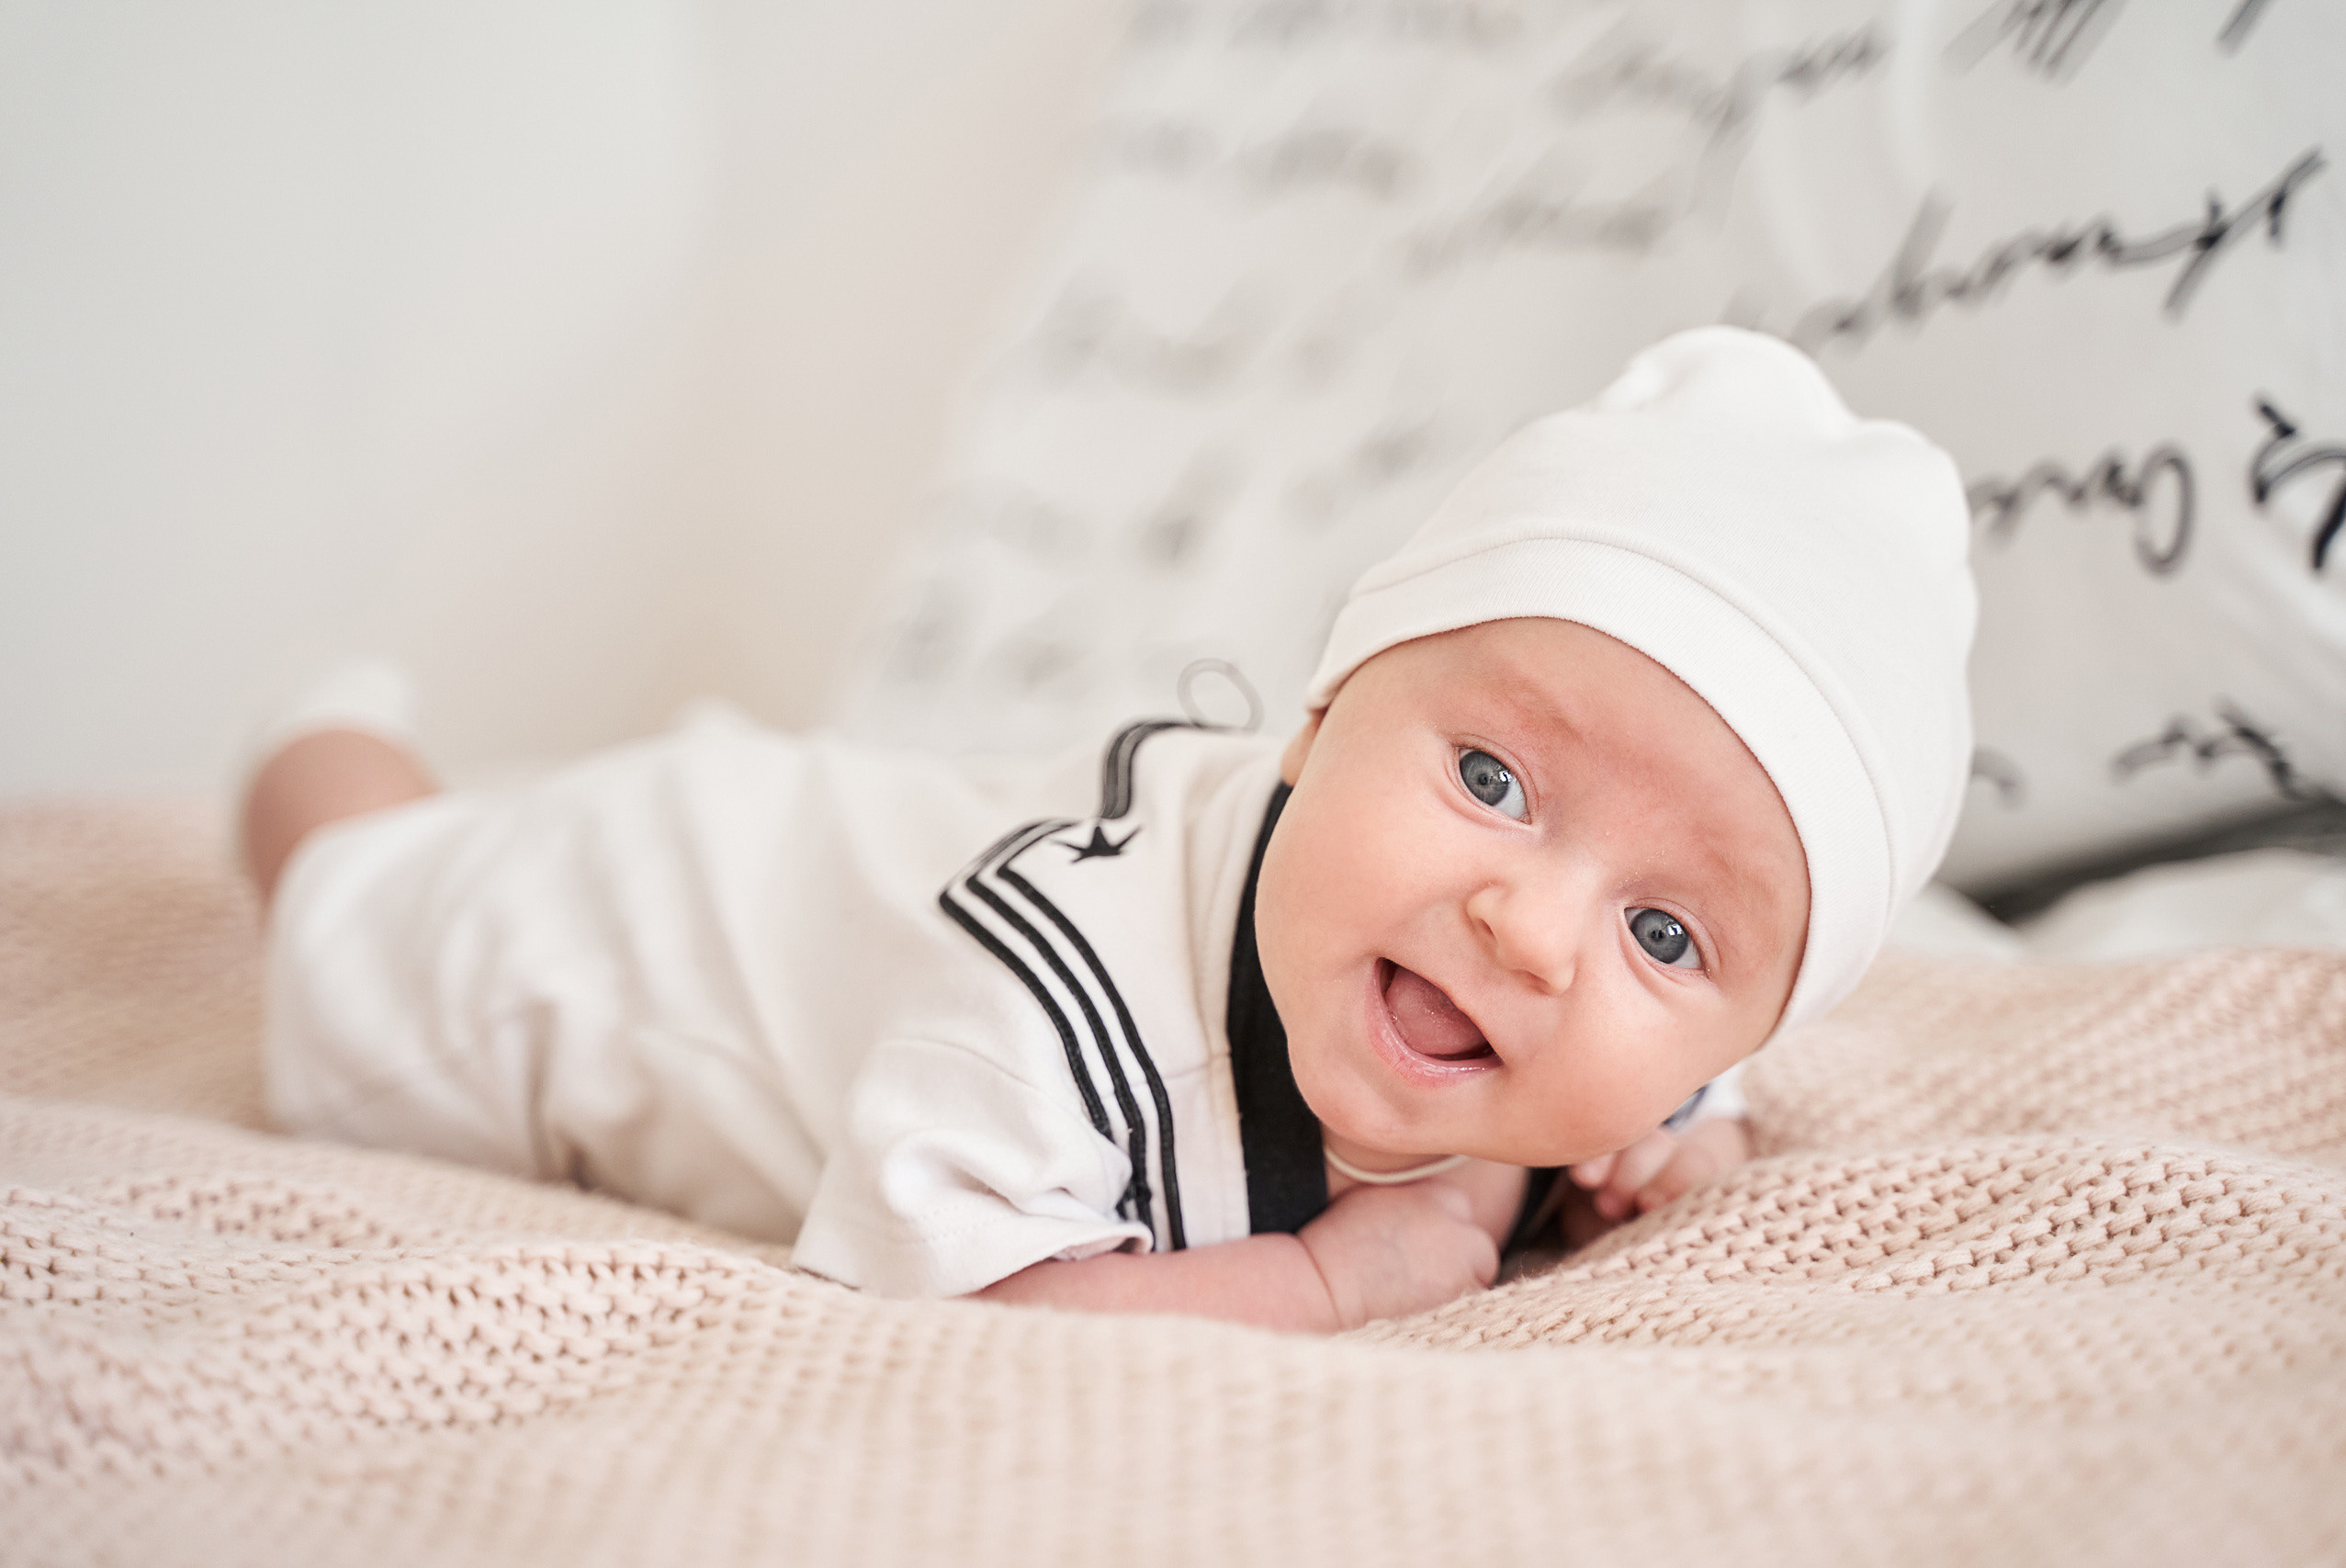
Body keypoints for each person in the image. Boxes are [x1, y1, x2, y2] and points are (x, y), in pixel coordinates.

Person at [246, 328, 1975, 1332]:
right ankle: (325, 743)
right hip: (623, 926)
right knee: (352, 899)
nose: (1532, 925)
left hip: (822, 825)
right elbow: (955, 1314)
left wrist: (1694, 1150)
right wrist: (1313, 1281)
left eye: (1664, 935)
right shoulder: (1062, 1011)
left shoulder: (1616, 1034)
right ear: (1317, 714)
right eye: (1495, 784)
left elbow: (1689, 1073)